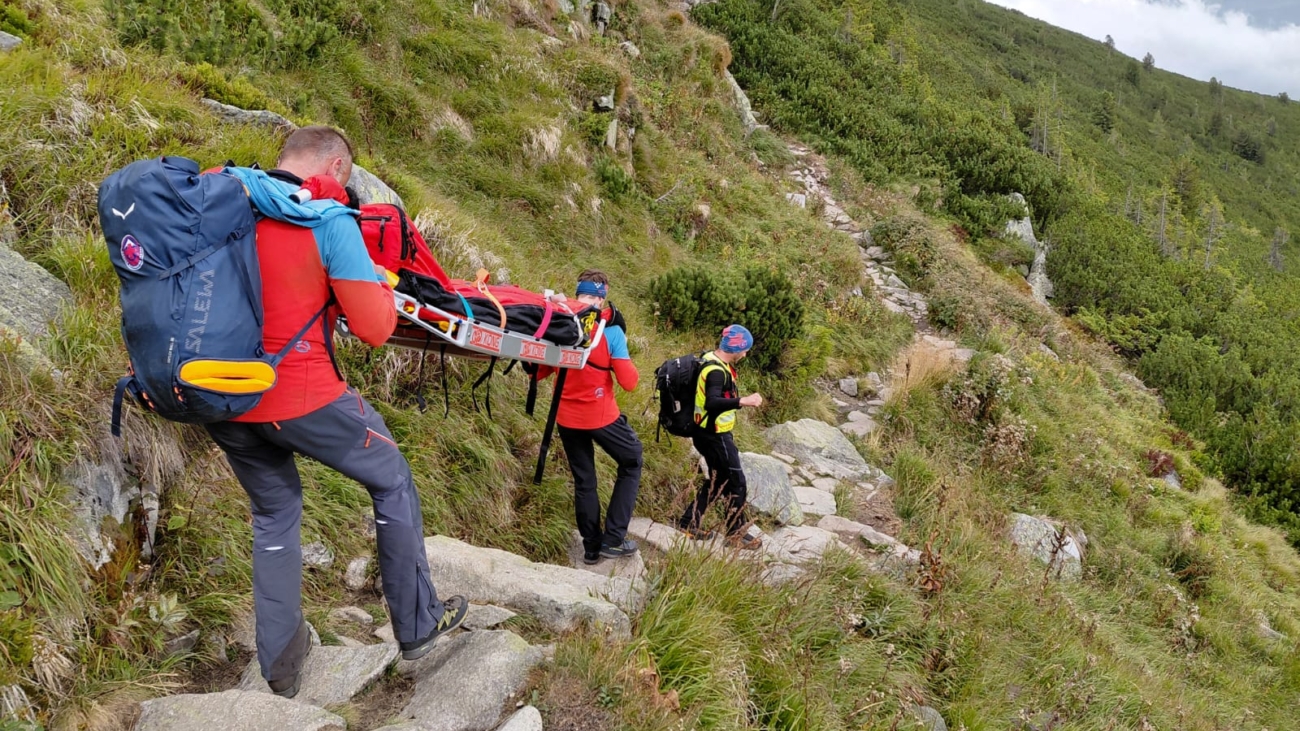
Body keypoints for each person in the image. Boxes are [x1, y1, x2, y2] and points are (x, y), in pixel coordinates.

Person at [204, 126, 466, 698]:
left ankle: (280, 669)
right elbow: (374, 330)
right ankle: (420, 626)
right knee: (392, 477)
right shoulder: (326, 219)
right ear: (338, 166)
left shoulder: (223, 196)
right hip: (300, 395)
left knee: (275, 515)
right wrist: (370, 284)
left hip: (219, 394)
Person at [536, 270, 644, 565]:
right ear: (602, 297)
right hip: (601, 416)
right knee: (632, 459)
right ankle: (613, 539)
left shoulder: (560, 323)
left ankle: (591, 548)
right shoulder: (610, 331)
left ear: (577, 294)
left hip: (566, 418)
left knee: (585, 481)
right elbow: (629, 383)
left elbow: (539, 372)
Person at [678, 324, 764, 549]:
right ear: (736, 348)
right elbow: (712, 402)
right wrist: (743, 400)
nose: (745, 354)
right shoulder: (716, 371)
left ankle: (689, 522)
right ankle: (736, 534)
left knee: (717, 480)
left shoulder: (709, 359)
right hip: (714, 436)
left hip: (705, 433)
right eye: (744, 350)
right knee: (737, 482)